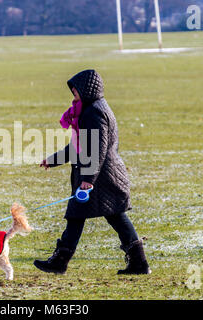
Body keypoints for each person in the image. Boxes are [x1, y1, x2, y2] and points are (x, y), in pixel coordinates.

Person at [33, 69, 151, 275]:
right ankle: (138, 263)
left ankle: (60, 262)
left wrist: (88, 179)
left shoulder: (93, 112)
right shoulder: (88, 110)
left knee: (93, 216)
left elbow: (97, 148)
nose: (73, 94)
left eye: (75, 90)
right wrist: (53, 161)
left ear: (87, 89)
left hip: (100, 177)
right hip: (99, 175)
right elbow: (79, 146)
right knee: (98, 216)